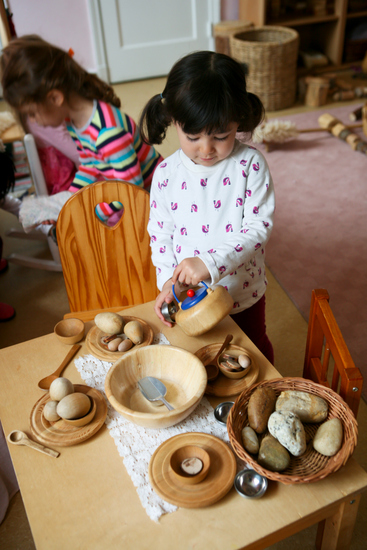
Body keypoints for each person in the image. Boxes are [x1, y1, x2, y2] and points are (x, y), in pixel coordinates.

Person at [139, 51, 275, 363]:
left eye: (220, 136)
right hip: (190, 299)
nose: (206, 149)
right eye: (192, 136)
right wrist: (167, 285)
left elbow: (259, 228)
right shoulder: (165, 175)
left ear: (237, 120)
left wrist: (209, 263)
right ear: (174, 121)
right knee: (202, 358)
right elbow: (160, 234)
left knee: (253, 354)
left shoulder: (250, 165)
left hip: (243, 293)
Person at [0, 34, 163, 231]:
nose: (33, 121)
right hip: (125, 188)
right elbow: (89, 165)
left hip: (153, 197)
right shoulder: (74, 122)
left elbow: (130, 190)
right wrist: (70, 200)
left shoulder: (107, 134)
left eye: (32, 114)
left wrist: (94, 212)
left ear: (55, 98)